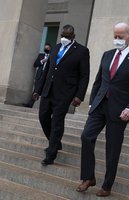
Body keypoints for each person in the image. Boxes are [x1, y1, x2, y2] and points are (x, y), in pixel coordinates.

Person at [76, 23, 129, 197]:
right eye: (115, 36)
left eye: (121, 36)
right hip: (99, 105)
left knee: (112, 148)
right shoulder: (107, 55)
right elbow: (99, 81)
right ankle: (88, 177)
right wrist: (92, 103)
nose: (117, 39)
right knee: (86, 136)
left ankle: (107, 185)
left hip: (120, 109)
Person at [32, 24, 90, 166]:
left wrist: (79, 96)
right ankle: (56, 142)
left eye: (68, 36)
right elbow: (47, 71)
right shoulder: (56, 48)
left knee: (57, 122)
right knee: (43, 117)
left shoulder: (82, 51)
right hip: (47, 90)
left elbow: (84, 76)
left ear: (73, 36)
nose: (65, 38)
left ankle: (51, 155)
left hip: (65, 93)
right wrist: (37, 89)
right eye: (63, 35)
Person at [23, 43, 52, 108]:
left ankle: (45, 107)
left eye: (48, 48)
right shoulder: (41, 55)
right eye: (45, 48)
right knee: (36, 90)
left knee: (45, 91)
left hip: (47, 76)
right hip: (40, 75)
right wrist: (42, 61)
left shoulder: (52, 56)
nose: (46, 49)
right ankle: (30, 104)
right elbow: (35, 64)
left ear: (50, 49)